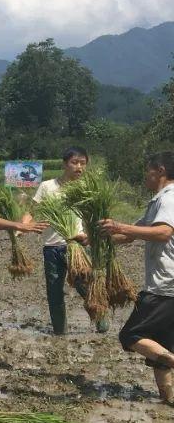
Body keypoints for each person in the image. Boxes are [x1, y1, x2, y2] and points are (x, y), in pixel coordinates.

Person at [100, 151, 174, 406]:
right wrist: (93, 238)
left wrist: (120, 227)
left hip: (165, 286)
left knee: (130, 335)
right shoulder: (157, 202)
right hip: (166, 285)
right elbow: (132, 235)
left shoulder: (170, 198)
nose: (146, 175)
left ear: (160, 170)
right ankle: (168, 399)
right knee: (161, 348)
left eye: (148, 170)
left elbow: (163, 233)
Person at [22, 147, 108, 335]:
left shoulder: (86, 188)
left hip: (76, 245)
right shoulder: (47, 186)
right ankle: (60, 331)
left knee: (85, 285)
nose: (79, 167)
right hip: (51, 247)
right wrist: (23, 227)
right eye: (74, 162)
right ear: (64, 164)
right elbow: (31, 210)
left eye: (82, 163)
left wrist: (91, 238)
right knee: (54, 292)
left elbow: (92, 218)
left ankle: (102, 322)